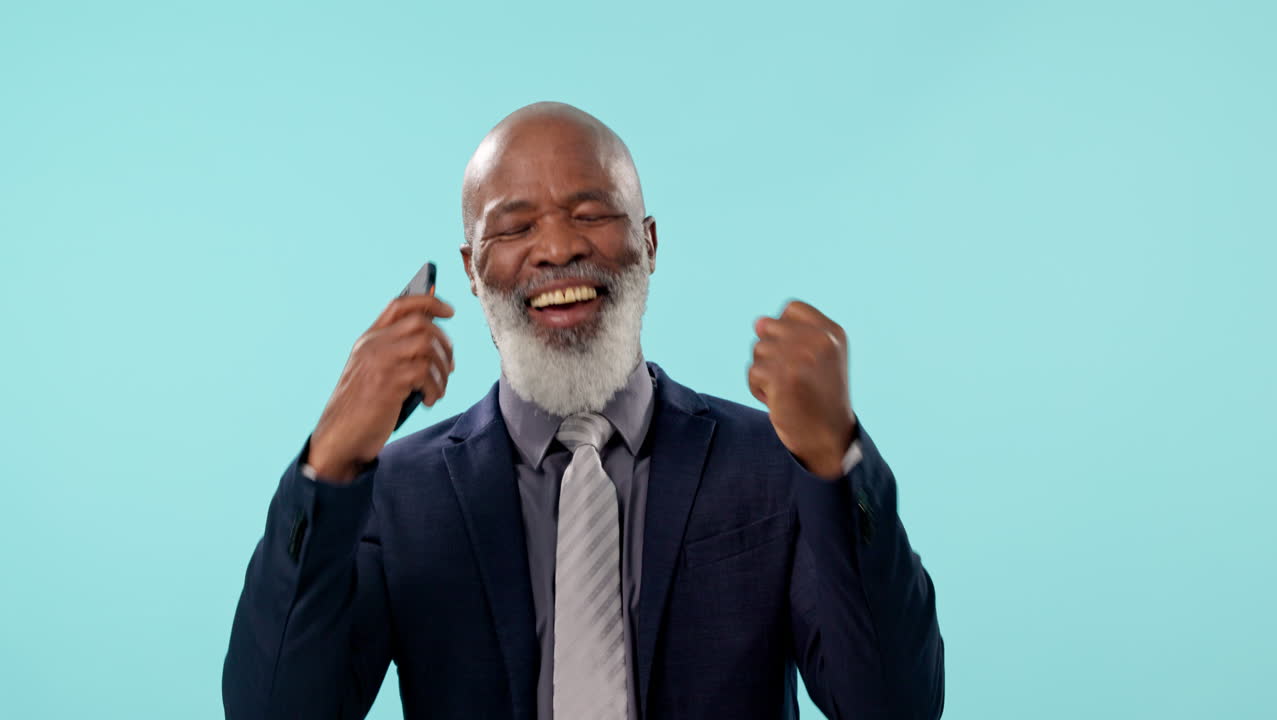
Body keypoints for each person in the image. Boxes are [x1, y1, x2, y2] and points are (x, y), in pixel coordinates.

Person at [222, 102, 944, 720]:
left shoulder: (770, 464)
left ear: (650, 243)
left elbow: (893, 704)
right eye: (514, 228)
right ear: (472, 269)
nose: (559, 247)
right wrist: (330, 465)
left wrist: (832, 460)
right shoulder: (397, 495)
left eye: (592, 213)